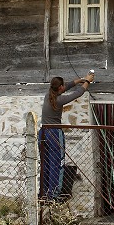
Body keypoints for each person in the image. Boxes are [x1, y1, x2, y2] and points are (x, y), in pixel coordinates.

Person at [39, 72, 94, 200]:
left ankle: (45, 192)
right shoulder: (60, 100)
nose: (65, 86)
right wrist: (88, 81)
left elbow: (67, 86)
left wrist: (80, 79)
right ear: (60, 88)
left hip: (43, 132)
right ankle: (54, 194)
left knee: (45, 163)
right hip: (54, 133)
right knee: (57, 163)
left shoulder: (49, 95)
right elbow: (78, 93)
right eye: (63, 85)